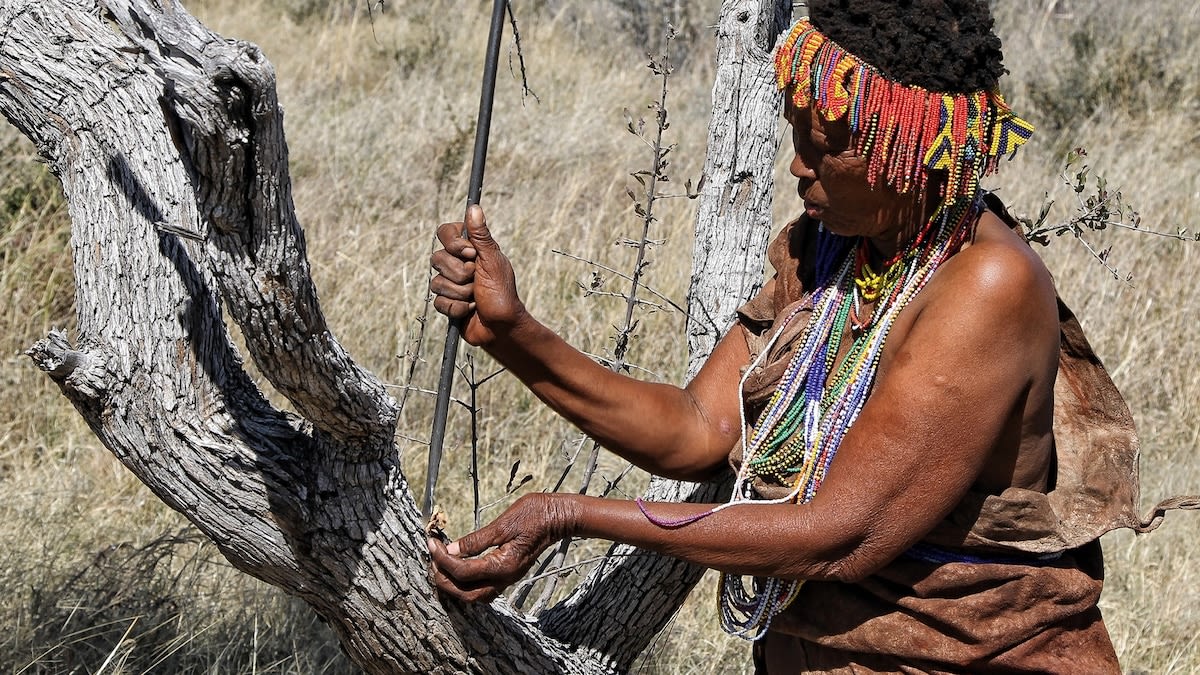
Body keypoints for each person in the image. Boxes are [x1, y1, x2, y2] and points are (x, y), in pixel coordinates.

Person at [428, 1, 1192, 672]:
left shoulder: (987, 287)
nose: (799, 165)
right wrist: (514, 333)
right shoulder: (834, 249)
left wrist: (569, 515)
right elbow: (697, 429)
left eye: (829, 144)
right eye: (798, 133)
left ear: (911, 143)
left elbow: (835, 536)